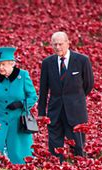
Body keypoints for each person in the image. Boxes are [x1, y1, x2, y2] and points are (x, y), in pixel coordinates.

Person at [38, 31, 94, 161]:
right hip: (55, 110)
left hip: (76, 111)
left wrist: (76, 98)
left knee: (78, 146)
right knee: (54, 145)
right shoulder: (47, 62)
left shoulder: (82, 60)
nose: (58, 47)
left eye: (60, 44)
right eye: (55, 44)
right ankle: (57, 169)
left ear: (68, 43)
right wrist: (41, 112)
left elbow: (88, 84)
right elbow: (43, 89)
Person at [0, 46, 38, 164]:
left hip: (18, 121)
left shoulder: (23, 76)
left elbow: (33, 96)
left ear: (12, 64)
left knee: (19, 155)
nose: (0, 68)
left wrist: (21, 104)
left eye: (3, 64)